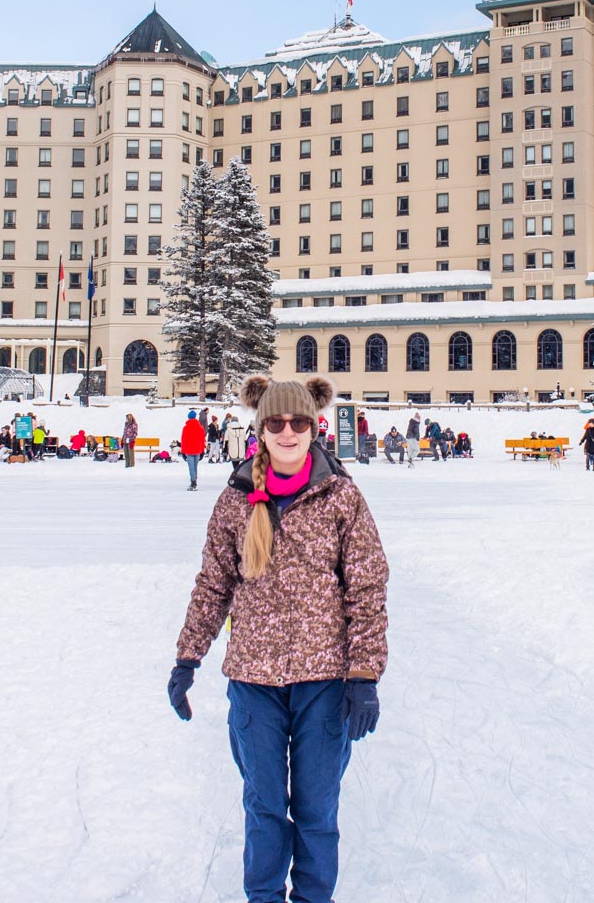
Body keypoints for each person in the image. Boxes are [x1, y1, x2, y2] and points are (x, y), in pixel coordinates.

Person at [168, 374, 389, 903]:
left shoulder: (341, 497)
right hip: (253, 679)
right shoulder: (236, 500)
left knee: (316, 809)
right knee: (264, 807)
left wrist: (364, 675)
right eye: (275, 422)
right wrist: (187, 659)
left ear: (313, 427)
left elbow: (367, 585)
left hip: (324, 681)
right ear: (261, 428)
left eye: (297, 422)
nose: (287, 432)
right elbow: (214, 583)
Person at [181, 409, 206, 491]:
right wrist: (202, 450)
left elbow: (183, 440)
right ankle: (194, 481)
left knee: (191, 468)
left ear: (188, 418)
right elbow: (202, 440)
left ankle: (193, 482)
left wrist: (183, 451)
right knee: (195, 467)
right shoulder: (200, 427)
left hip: (189, 450)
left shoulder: (186, 428)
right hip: (198, 450)